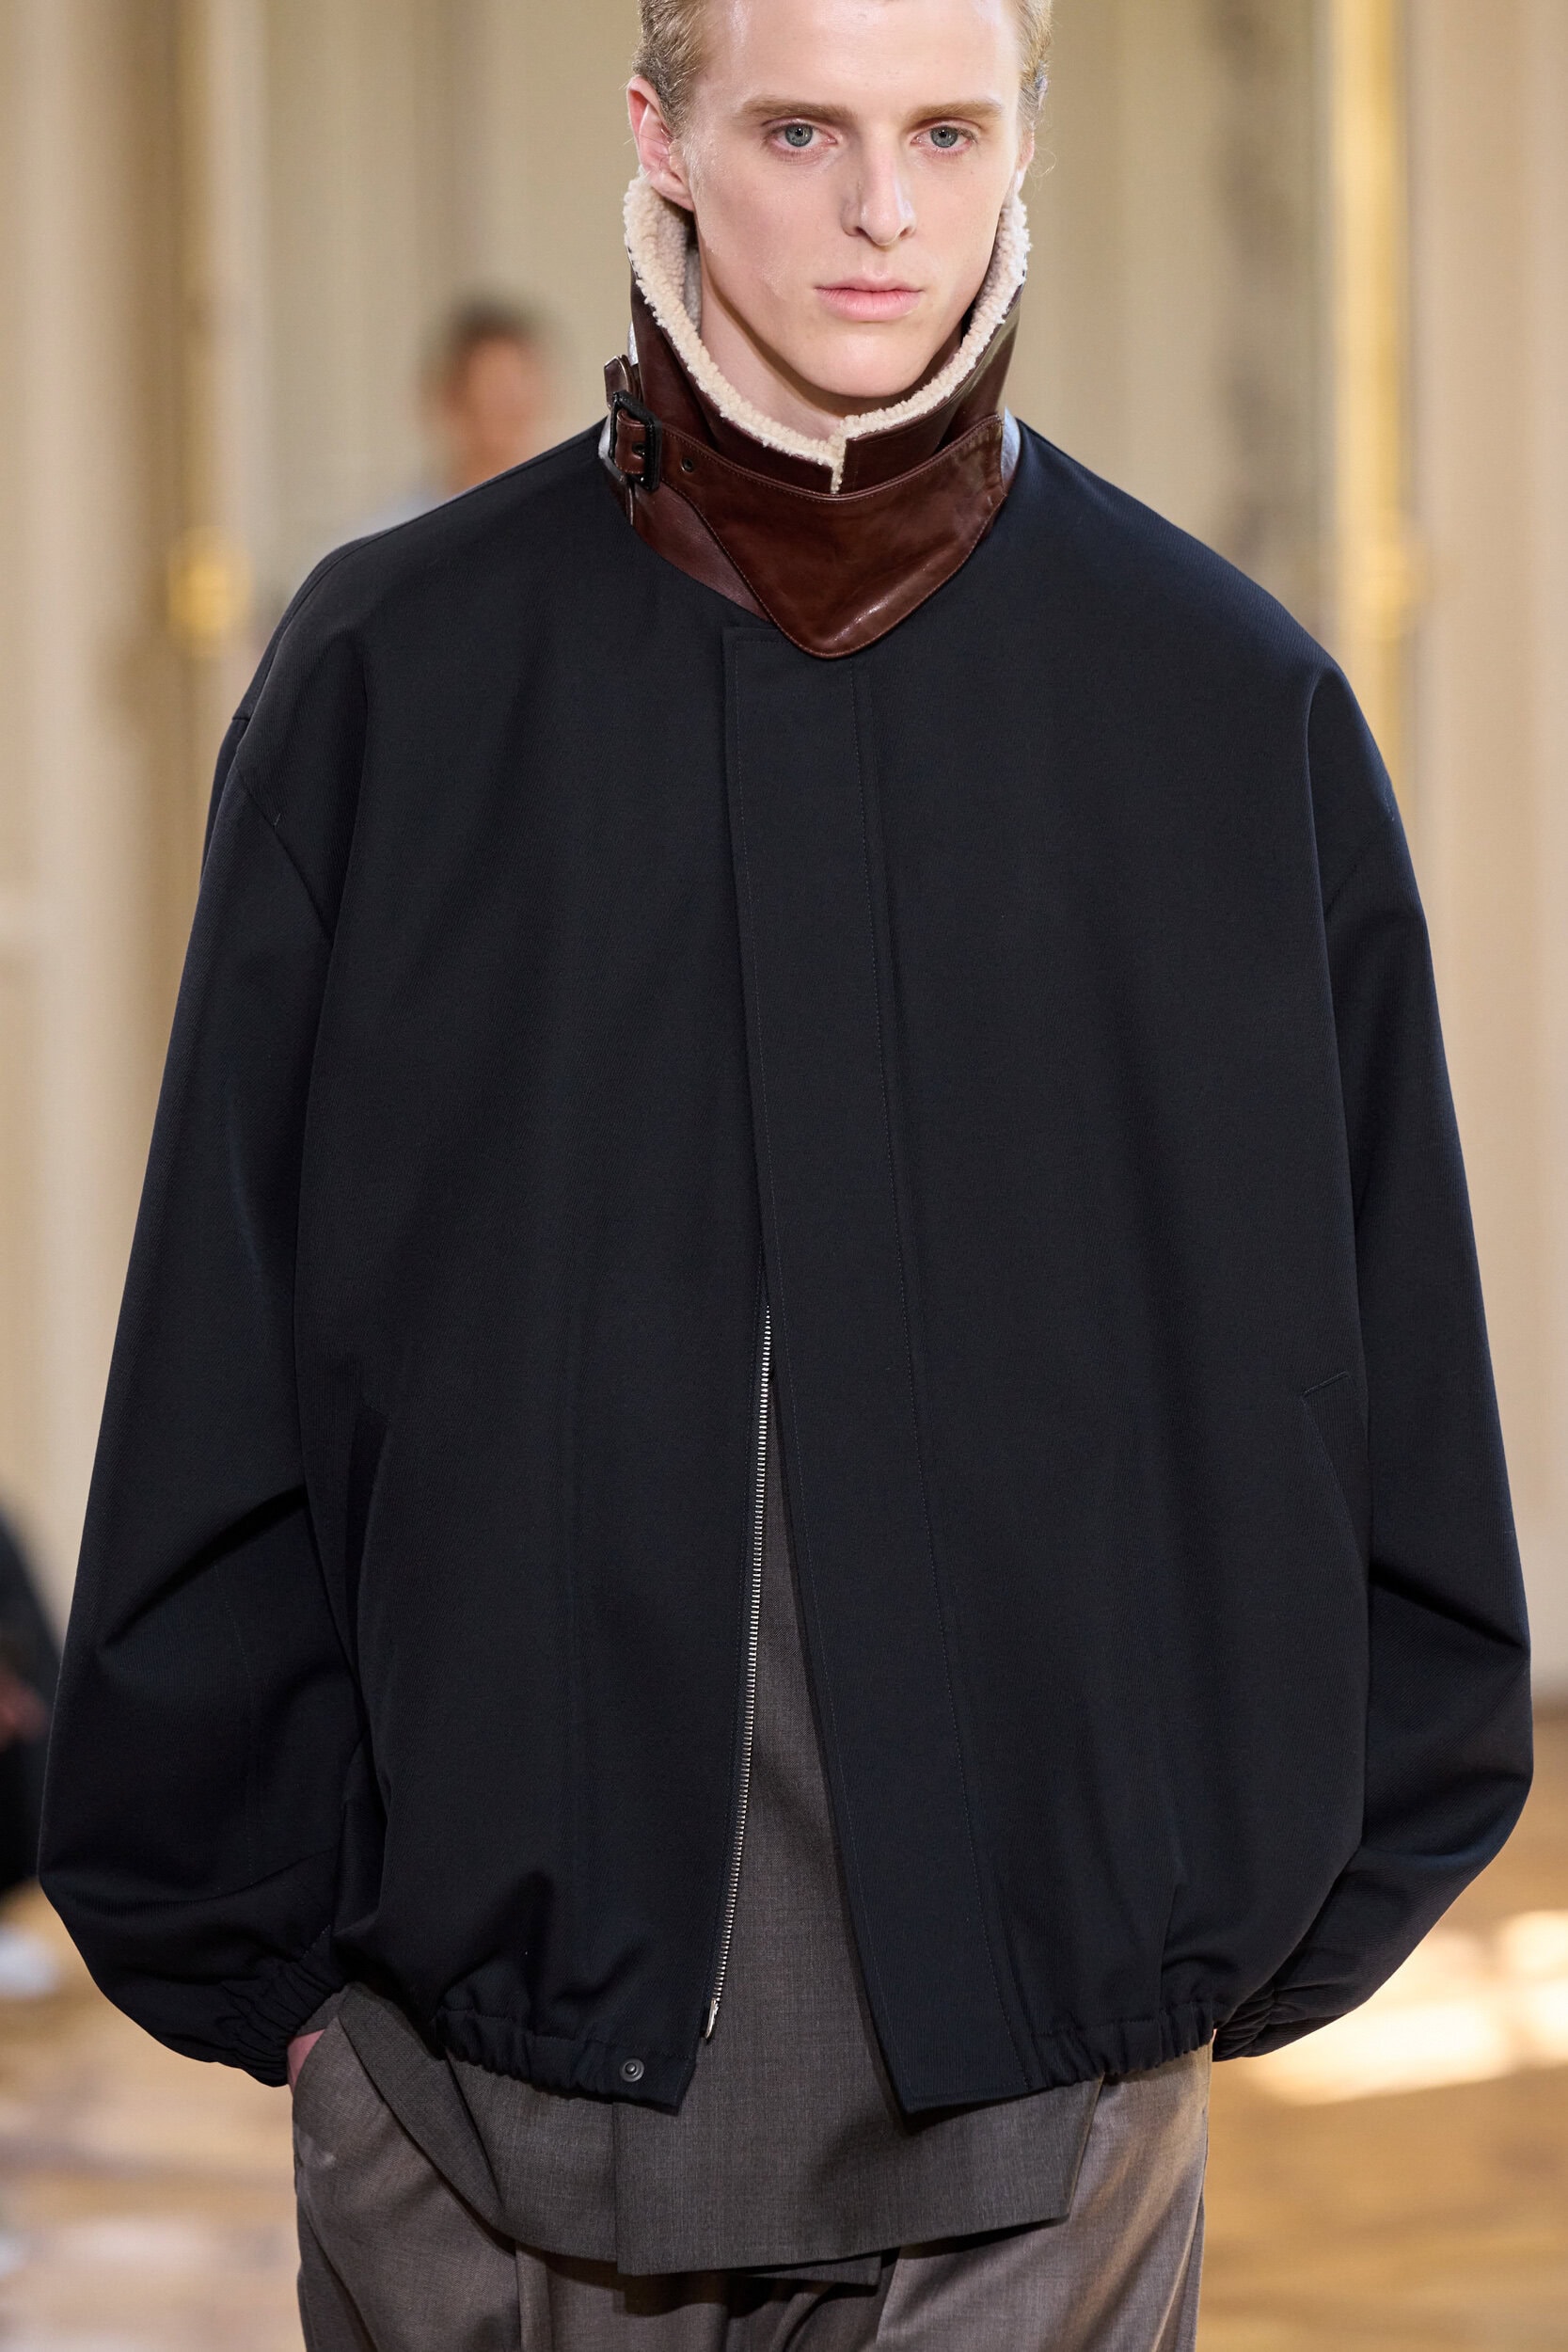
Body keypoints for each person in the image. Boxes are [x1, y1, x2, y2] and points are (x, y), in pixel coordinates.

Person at [41, 0, 1532, 2344]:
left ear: (1022, 139)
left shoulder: (1218, 712)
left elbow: (1375, 1368)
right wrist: (293, 1995)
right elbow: (232, 1345)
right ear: (659, 138)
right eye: (801, 129)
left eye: (943, 130)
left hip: (1049, 2120)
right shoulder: (393, 684)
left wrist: (1212, 1946)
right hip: (470, 2105)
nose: (879, 213)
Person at [353, 295, 557, 537]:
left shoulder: (568, 525)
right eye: (495, 386)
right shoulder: (390, 540)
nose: (513, 404)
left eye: (521, 382)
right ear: (451, 398)